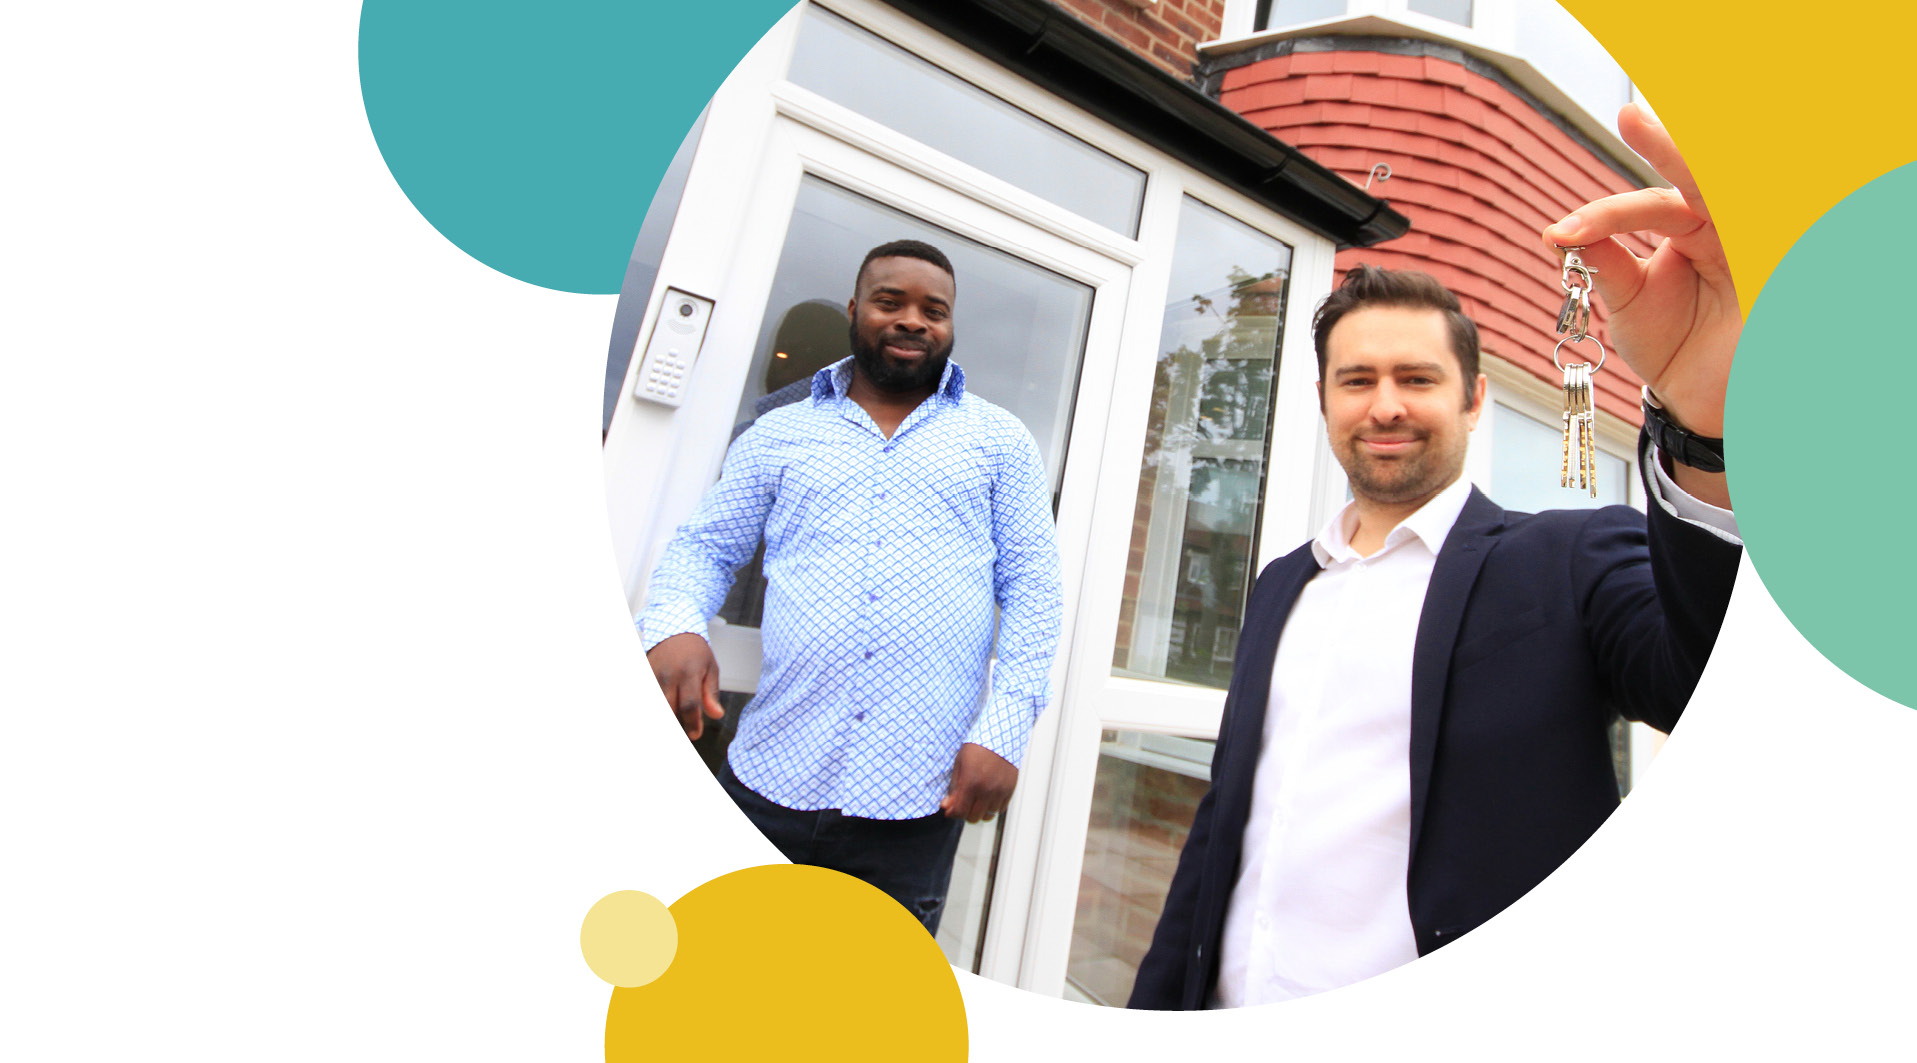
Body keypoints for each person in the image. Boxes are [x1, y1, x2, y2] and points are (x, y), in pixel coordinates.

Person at [1128, 103, 1742, 1009]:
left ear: (1474, 398)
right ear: (1322, 397)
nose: (1385, 405)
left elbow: (1710, 684)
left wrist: (1707, 429)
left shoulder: (1566, 560)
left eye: (1416, 378)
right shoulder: (1278, 585)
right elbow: (1225, 822)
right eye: (1357, 379)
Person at [637, 238, 1063, 934]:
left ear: (951, 326)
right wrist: (674, 623)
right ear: (854, 309)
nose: (912, 321)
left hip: (915, 802)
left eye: (934, 309)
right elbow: (705, 548)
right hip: (768, 780)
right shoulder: (778, 434)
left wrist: (1005, 730)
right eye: (890, 301)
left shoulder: (1000, 440)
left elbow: (1033, 591)